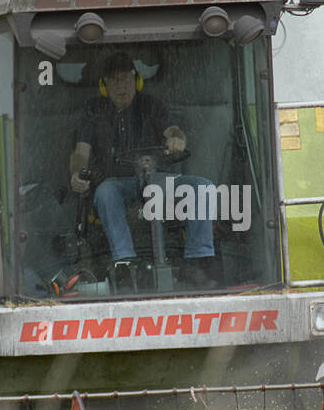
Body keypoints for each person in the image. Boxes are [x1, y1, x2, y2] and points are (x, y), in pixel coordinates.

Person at [69, 52, 218, 287]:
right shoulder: (93, 111)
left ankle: (196, 263)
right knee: (106, 192)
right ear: (104, 85)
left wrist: (177, 139)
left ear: (136, 81)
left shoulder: (152, 105)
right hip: (117, 182)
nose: (122, 86)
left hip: (157, 179)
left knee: (203, 187)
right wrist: (76, 173)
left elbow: (173, 131)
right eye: (115, 80)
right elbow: (80, 153)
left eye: (126, 79)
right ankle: (125, 266)